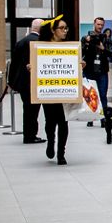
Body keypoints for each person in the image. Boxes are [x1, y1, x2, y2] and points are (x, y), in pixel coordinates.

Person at [38, 17, 71, 164]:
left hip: (64, 92)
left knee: (64, 122)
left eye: (66, 28)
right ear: (53, 30)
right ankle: (51, 142)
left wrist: (80, 64)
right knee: (50, 122)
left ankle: (61, 154)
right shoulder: (42, 47)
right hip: (48, 91)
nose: (65, 31)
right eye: (62, 28)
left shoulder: (69, 48)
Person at [9, 19, 45, 144]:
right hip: (34, 82)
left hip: (23, 82)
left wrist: (12, 81)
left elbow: (14, 64)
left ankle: (28, 134)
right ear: (40, 28)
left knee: (27, 109)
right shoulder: (39, 42)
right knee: (33, 111)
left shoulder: (21, 42)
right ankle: (31, 135)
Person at [82, 17, 111, 129]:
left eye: (101, 25)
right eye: (98, 24)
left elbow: (111, 54)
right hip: (89, 70)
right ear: (94, 24)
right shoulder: (85, 38)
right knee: (90, 95)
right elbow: (81, 52)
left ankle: (103, 118)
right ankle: (90, 118)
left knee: (103, 95)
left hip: (102, 71)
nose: (100, 27)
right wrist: (87, 43)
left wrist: (103, 48)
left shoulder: (106, 39)